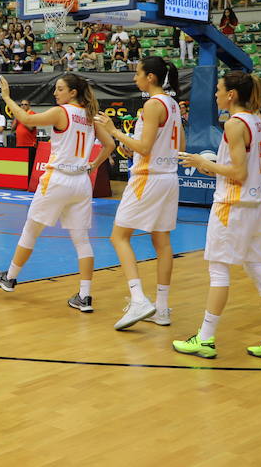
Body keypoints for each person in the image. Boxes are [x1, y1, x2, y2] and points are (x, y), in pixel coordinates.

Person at [175, 72, 261, 361]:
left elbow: (238, 173)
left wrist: (204, 162)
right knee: (256, 267)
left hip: (233, 205)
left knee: (218, 270)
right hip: (253, 207)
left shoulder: (234, 123)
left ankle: (204, 338)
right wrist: (214, 167)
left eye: (218, 89)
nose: (215, 94)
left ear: (231, 95)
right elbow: (246, 167)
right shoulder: (256, 121)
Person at [0, 74, 114, 297]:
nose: (55, 93)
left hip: (58, 179)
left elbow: (26, 120)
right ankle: (85, 296)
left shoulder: (62, 112)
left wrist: (7, 98)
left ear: (72, 92)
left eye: (59, 89)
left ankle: (9, 278)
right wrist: (93, 165)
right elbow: (110, 144)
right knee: (82, 240)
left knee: (31, 230)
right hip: (81, 183)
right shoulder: (90, 115)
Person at [94, 57, 184, 328]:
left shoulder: (152, 105)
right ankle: (162, 308)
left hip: (148, 179)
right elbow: (180, 144)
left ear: (151, 78)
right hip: (169, 177)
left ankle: (138, 299)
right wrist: (131, 146)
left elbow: (144, 148)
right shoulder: (173, 105)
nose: (135, 78)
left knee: (119, 237)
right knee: (163, 242)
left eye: (138, 73)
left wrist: (114, 131)